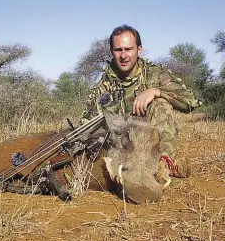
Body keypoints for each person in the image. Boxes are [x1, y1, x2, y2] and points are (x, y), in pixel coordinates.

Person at [80, 24, 202, 183]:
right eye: (118, 50)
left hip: (150, 145)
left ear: (139, 49)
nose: (123, 55)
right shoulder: (103, 86)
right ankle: (128, 169)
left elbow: (190, 101)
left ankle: (164, 163)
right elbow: (84, 123)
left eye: (129, 49)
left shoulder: (154, 74)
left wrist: (156, 91)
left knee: (160, 104)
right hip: (122, 147)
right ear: (112, 51)